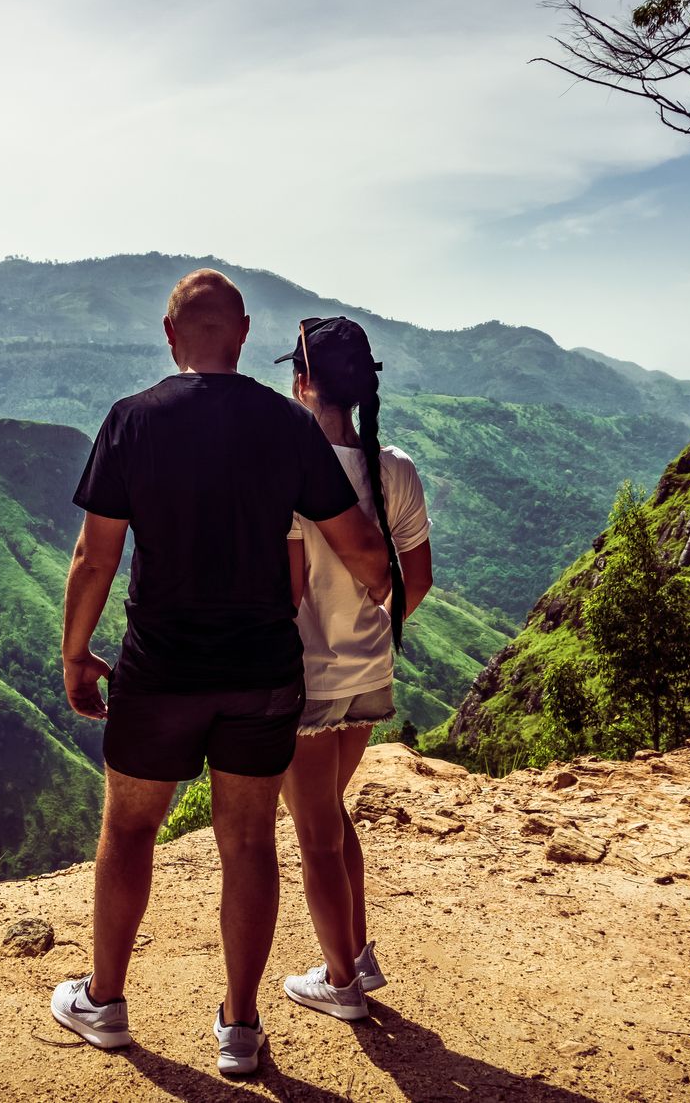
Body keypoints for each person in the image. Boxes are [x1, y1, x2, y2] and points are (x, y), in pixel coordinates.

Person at [50, 271, 397, 1076]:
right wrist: (376, 598)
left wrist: (75, 653)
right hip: (262, 671)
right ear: (242, 335)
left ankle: (105, 1000)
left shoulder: (131, 420)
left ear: (171, 339)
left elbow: (96, 555)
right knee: (247, 841)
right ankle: (240, 1027)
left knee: (129, 830)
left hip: (162, 665)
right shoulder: (287, 426)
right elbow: (364, 551)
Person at [271, 316, 434, 1023]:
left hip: (307, 684)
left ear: (303, 383)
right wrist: (370, 619)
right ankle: (358, 953)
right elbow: (416, 583)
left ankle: (339, 982)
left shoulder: (290, 471)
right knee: (330, 816)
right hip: (369, 676)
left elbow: (288, 594)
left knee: (314, 838)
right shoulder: (395, 467)